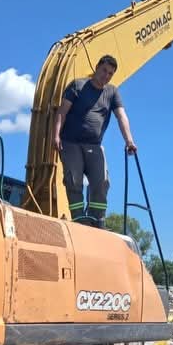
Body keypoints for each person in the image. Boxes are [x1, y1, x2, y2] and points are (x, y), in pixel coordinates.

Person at [53, 54, 137, 228]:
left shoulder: (112, 92)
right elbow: (62, 112)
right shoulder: (78, 85)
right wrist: (56, 135)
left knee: (102, 182)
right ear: (97, 67)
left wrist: (129, 141)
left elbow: (121, 116)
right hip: (71, 143)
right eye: (104, 70)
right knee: (73, 180)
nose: (106, 76)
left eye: (110, 74)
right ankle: (78, 217)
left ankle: (97, 220)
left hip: (94, 145)